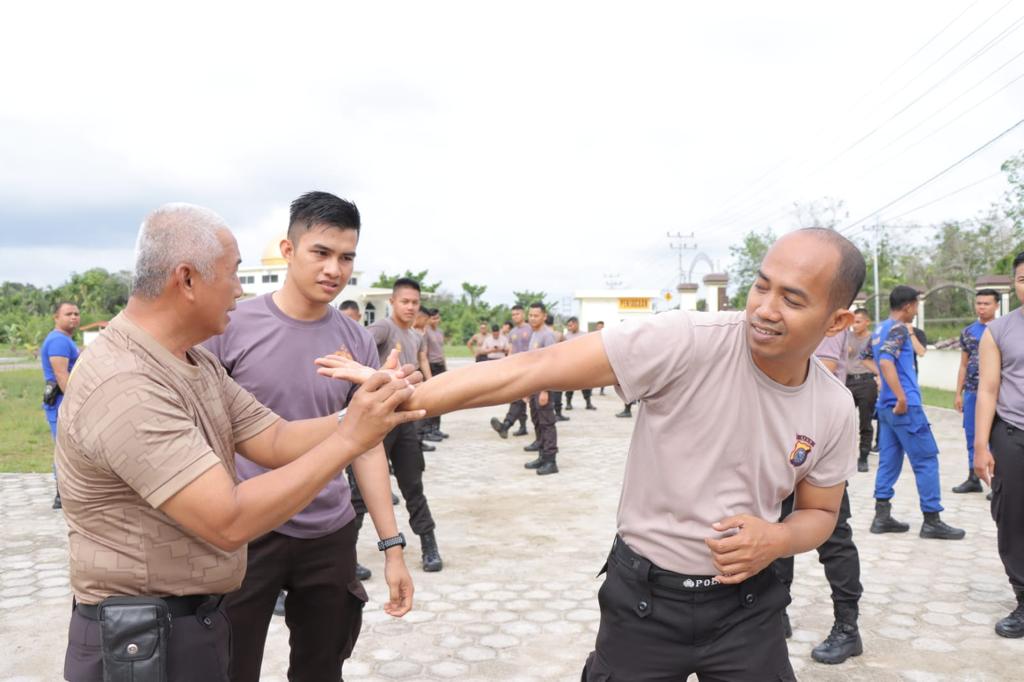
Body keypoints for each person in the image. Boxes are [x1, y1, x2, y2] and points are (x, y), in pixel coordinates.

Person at [317, 228, 864, 680]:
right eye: (761, 287)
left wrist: (778, 538)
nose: (765, 310)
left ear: (837, 321)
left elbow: (819, 514)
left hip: (749, 612)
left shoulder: (833, 408)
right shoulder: (688, 341)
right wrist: (405, 396)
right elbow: (529, 370)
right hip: (645, 603)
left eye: (792, 299)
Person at [56, 203, 419, 682]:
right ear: (186, 280)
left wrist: (363, 415)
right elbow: (229, 521)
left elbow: (275, 437)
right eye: (232, 275)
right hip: (144, 639)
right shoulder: (126, 382)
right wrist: (351, 434)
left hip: (188, 620)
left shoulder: (189, 363)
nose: (238, 289)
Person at [203, 192, 413, 681]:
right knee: (230, 666)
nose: (334, 269)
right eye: (321, 253)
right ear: (288, 250)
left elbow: (366, 445)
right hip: (249, 528)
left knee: (322, 668)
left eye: (346, 257)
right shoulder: (231, 327)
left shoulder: (356, 339)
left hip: (329, 531)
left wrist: (392, 547)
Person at [776, 328, 864, 665]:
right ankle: (775, 613)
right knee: (778, 533)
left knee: (835, 541)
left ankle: (847, 626)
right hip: (778, 456)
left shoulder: (823, 328)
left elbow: (824, 372)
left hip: (820, 448)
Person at [865, 285, 964, 540]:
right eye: (917, 305)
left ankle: (882, 516)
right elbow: (886, 360)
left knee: (889, 460)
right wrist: (900, 394)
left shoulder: (878, 329)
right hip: (904, 406)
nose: (917, 310)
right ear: (908, 305)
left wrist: (883, 383)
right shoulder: (899, 329)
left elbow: (867, 356)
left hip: (885, 408)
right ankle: (932, 519)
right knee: (926, 460)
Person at [360, 277, 443, 571]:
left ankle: (429, 545)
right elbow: (358, 348)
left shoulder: (414, 335)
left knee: (413, 485)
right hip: (376, 424)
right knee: (360, 493)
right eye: (404, 301)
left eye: (414, 302)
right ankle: (345, 557)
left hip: (405, 422)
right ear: (392, 302)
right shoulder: (384, 327)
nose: (410, 307)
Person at [974, 251, 1024, 638]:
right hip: (1011, 436)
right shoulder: (999, 330)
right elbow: (988, 389)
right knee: (1012, 519)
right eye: (1022, 278)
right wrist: (980, 446)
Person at [952, 289, 999, 493]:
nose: (981, 307)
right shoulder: (969, 331)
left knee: (996, 437)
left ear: (996, 305)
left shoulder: (1002, 329)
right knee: (972, 434)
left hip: (997, 393)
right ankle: (973, 477)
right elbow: (963, 364)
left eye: (986, 304)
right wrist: (958, 393)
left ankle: (997, 481)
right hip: (972, 391)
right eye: (978, 303)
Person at [40, 300, 80, 509]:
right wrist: (74, 404)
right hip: (61, 403)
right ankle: (61, 495)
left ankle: (63, 494)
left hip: (62, 401)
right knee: (64, 449)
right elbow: (61, 375)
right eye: (68, 314)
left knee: (67, 448)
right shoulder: (59, 341)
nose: (73, 317)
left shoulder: (64, 340)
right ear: (56, 317)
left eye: (76, 313)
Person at [521, 303, 559, 475]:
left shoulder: (547, 335)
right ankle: (542, 456)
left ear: (544, 316)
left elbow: (550, 364)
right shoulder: (534, 334)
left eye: (536, 315)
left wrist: (544, 390)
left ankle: (551, 460)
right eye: (530, 315)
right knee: (537, 421)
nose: (532, 318)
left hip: (544, 386)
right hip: (534, 385)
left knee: (547, 423)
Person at [489, 305, 531, 438]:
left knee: (518, 399)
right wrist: (506, 366)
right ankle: (522, 427)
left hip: (529, 369)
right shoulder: (512, 333)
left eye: (517, 314)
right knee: (519, 398)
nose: (515, 317)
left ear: (523, 314)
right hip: (516, 368)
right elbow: (511, 350)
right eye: (513, 315)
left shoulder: (530, 329)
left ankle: (506, 425)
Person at [845, 308, 877, 472]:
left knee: (865, 422)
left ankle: (863, 457)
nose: (854, 325)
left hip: (866, 382)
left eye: (858, 322)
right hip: (847, 382)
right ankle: (843, 456)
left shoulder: (873, 339)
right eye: (853, 322)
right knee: (843, 422)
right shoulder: (846, 337)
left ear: (867, 322)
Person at [423, 308, 449, 440]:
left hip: (440, 365)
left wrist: (445, 366)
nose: (436, 320)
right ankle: (427, 430)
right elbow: (424, 354)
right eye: (433, 318)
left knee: (441, 398)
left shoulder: (440, 332)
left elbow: (441, 350)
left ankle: (436, 428)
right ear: (428, 319)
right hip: (431, 366)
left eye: (437, 318)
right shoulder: (425, 332)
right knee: (431, 398)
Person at [563, 317, 596, 411]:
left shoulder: (584, 335)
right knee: (569, 385)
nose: (569, 327)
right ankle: (568, 403)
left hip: (583, 364)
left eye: (571, 325)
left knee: (586, 385)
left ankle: (588, 403)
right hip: (570, 365)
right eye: (568, 326)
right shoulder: (566, 336)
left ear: (576, 324)